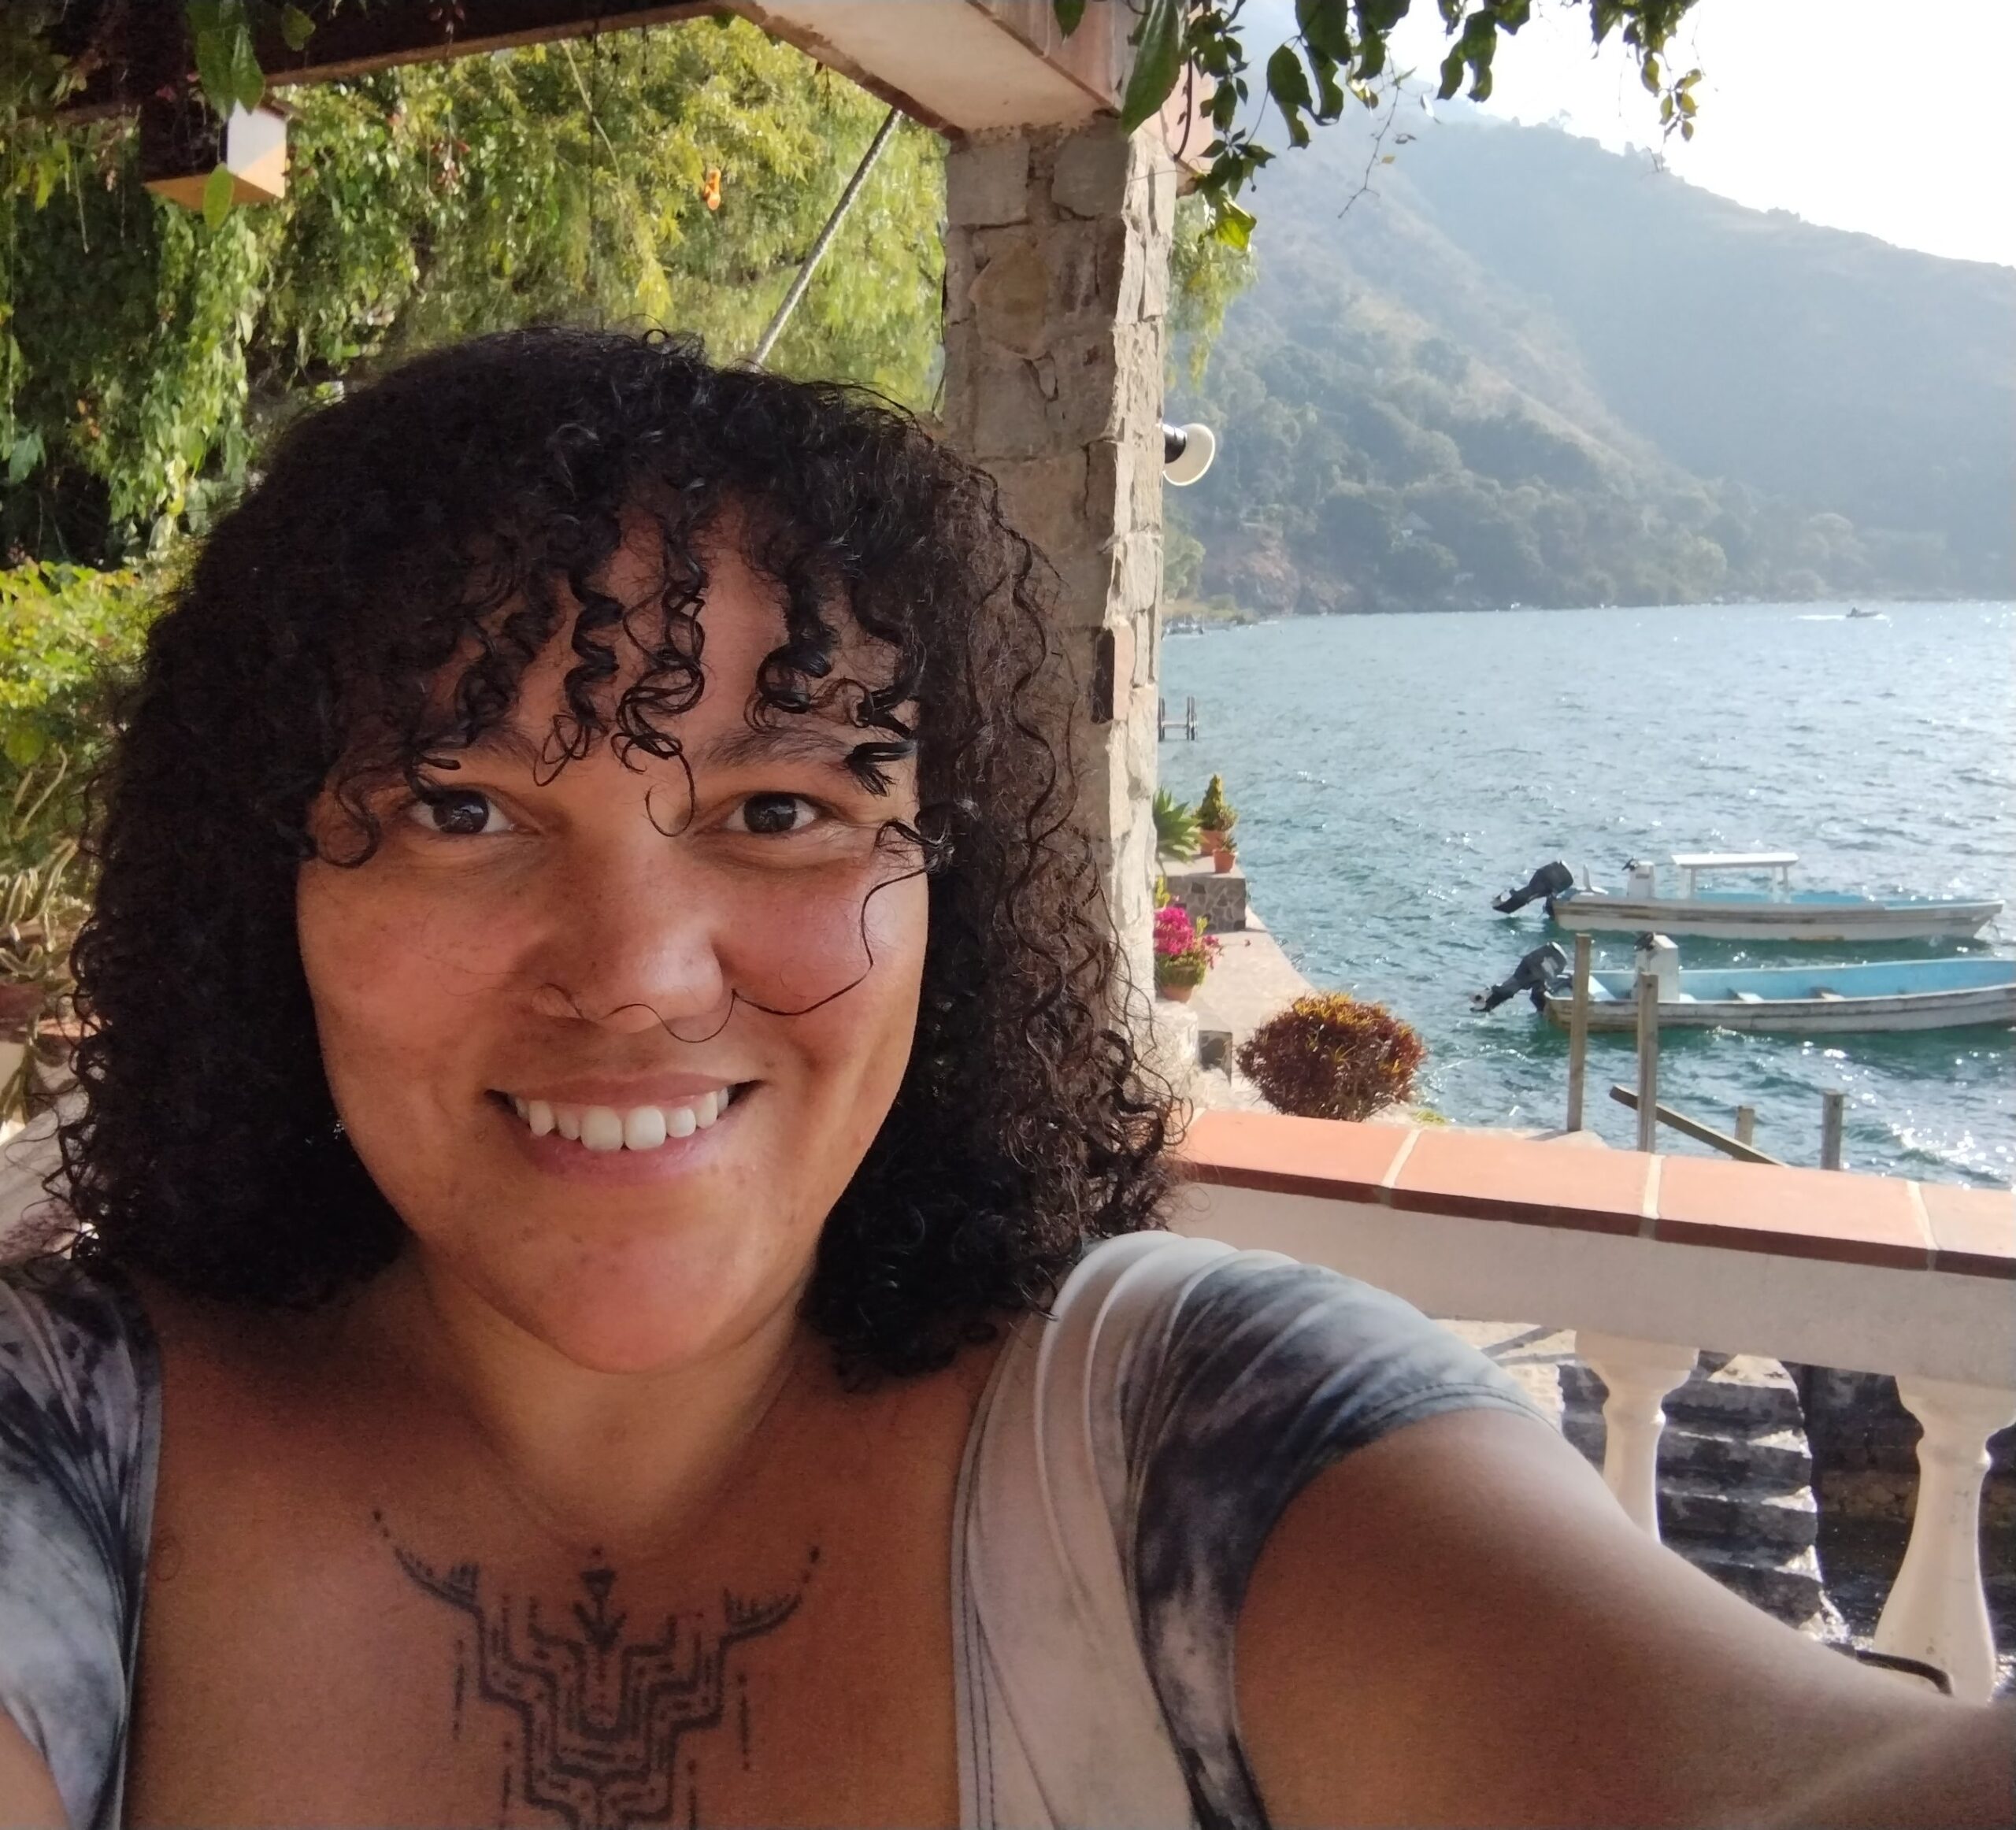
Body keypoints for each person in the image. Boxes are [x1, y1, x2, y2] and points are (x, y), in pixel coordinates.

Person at [0, 329, 2008, 1830]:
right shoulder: (60, 1435)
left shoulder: (1182, 1436)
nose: (632, 973)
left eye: (778, 809)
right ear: (263, 883)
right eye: (459, 806)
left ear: (952, 901)